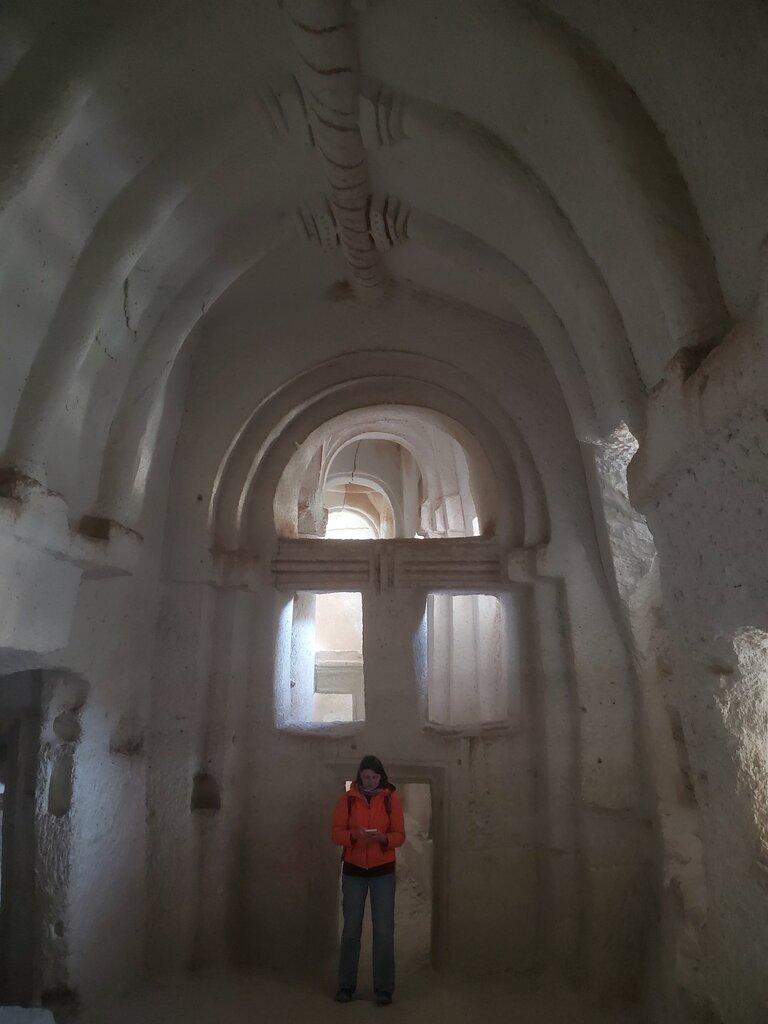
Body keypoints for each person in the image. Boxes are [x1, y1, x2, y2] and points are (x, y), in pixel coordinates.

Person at [331, 754, 405, 1006]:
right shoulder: (348, 800)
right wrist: (353, 835)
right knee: (351, 930)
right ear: (359, 776)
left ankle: (384, 989)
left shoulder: (391, 800)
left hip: (383, 871)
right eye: (366, 777)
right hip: (354, 871)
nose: (370, 781)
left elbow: (400, 835)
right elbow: (336, 833)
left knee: (383, 930)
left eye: (374, 777)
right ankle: (345, 986)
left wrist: (384, 839)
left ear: (380, 776)